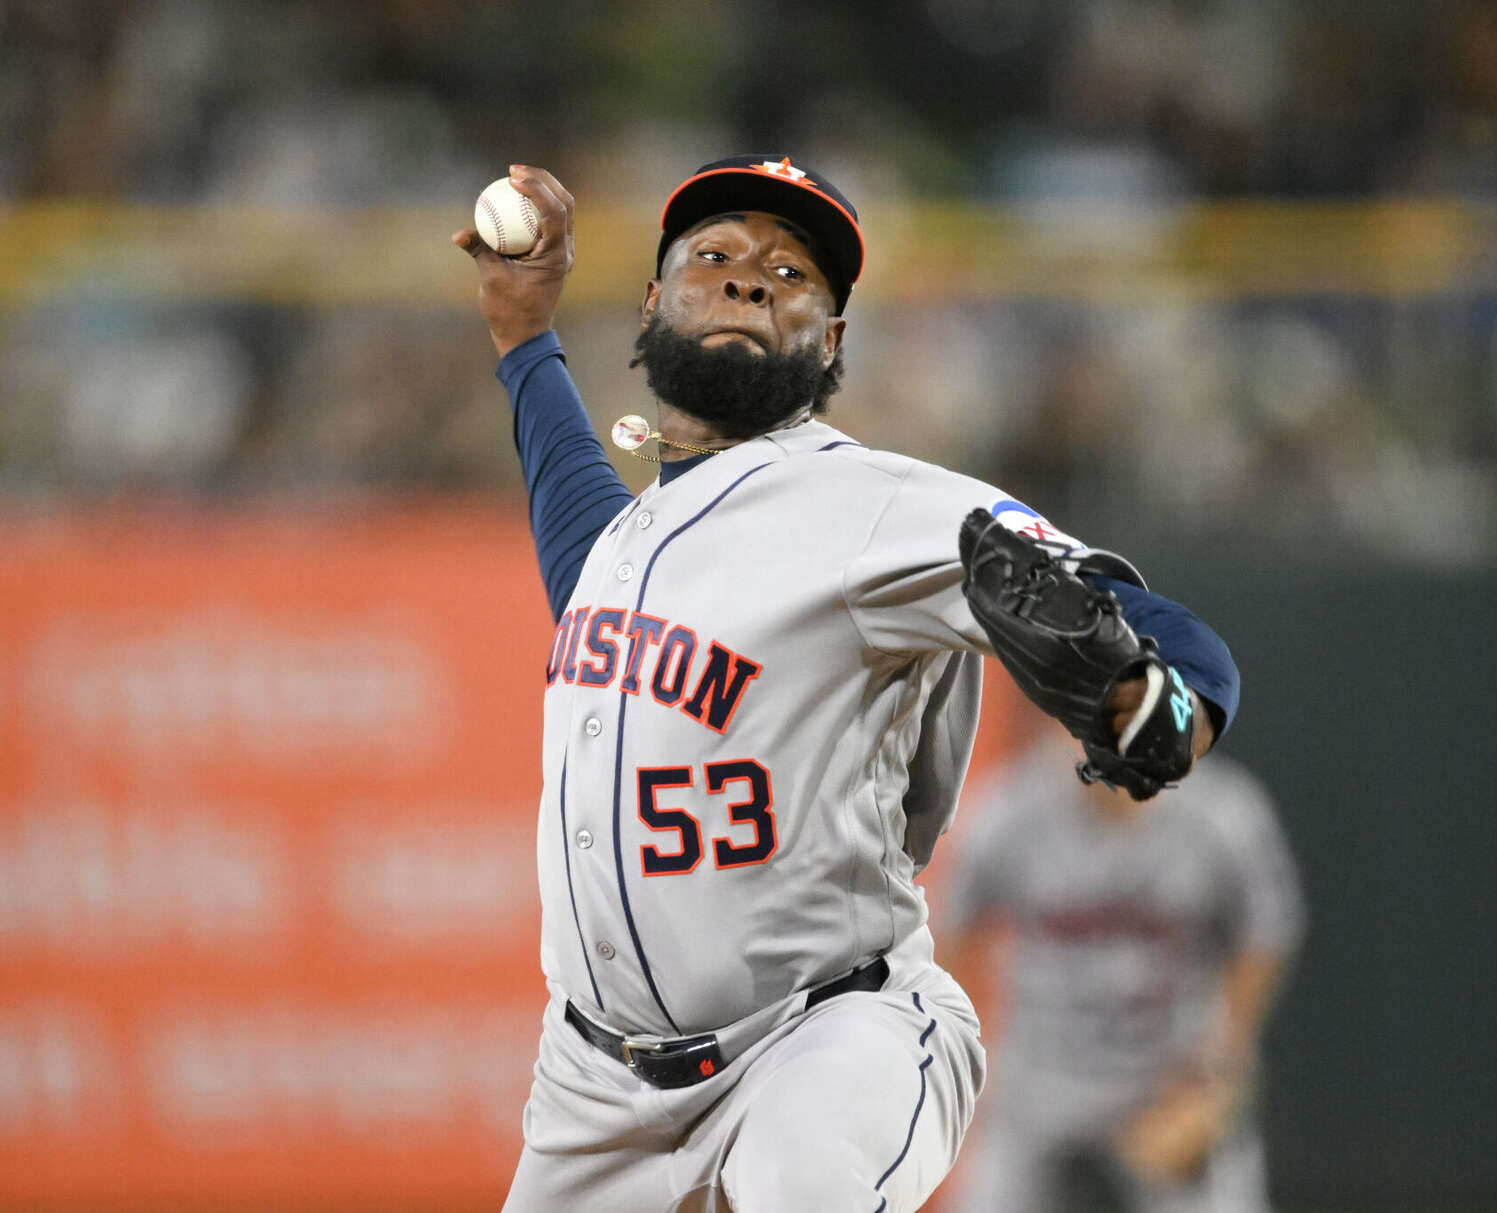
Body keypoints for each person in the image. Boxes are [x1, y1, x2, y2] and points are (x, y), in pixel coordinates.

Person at [450, 155, 1241, 1212]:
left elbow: (1157, 632)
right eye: (715, 257)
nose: (748, 279)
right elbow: (576, 529)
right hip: (594, 1087)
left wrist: (1166, 706)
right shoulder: (628, 545)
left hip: (829, 1033)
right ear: (653, 302)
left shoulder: (874, 506)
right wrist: (521, 334)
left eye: (791, 275)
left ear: (828, 341)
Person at [940, 733, 1303, 1213]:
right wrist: (972, 1057)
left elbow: (1266, 934)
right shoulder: (1007, 809)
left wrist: (1218, 1069)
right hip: (1039, 1090)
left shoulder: (1223, 812)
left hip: (1167, 1082)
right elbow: (951, 928)